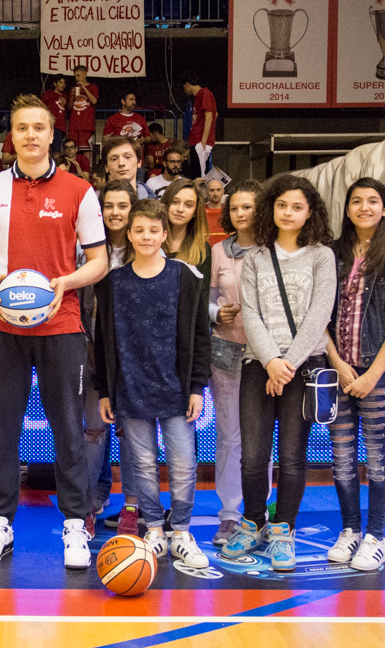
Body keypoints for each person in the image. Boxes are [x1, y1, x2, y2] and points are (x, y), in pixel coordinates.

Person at [0, 95, 107, 569]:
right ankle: (0, 525)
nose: (30, 135)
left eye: (38, 128)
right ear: (11, 135)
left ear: (52, 135)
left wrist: (65, 283)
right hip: (1, 326)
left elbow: (100, 261)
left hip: (62, 324)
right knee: (2, 429)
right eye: (21, 127)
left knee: (69, 428)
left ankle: (73, 526)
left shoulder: (79, 190)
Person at [221, 174, 336, 572]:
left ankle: (283, 528)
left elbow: (321, 313)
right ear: (271, 208)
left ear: (310, 213)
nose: (288, 212)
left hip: (304, 368)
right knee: (252, 457)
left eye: (297, 207)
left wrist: (287, 365)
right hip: (259, 365)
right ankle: (253, 522)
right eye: (282, 205)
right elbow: (249, 312)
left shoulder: (322, 256)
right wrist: (271, 361)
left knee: (291, 456)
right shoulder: (254, 256)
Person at [95, 197, 211, 566]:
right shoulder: (112, 282)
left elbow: (200, 336)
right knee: (143, 464)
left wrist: (197, 387)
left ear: (165, 235)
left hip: (175, 389)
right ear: (128, 235)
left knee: (182, 464)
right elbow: (102, 340)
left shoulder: (186, 278)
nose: (146, 236)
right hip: (130, 388)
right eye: (139, 230)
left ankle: (182, 531)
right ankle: (156, 529)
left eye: (153, 230)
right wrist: (104, 391)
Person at [324, 178, 385, 571]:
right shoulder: (331, 253)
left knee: (377, 455)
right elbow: (318, 315)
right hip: (338, 370)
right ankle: (349, 530)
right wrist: (337, 362)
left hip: (376, 373)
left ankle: (376, 536)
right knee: (342, 455)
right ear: (347, 209)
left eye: (373, 201)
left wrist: (371, 374)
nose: (364, 207)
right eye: (356, 201)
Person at [207, 180, 269, 546]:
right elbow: (207, 302)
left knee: (260, 439)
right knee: (230, 437)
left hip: (267, 356)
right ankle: (230, 515)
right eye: (235, 208)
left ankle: (259, 512)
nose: (241, 214)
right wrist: (218, 313)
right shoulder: (218, 251)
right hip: (226, 352)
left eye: (248, 207)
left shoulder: (276, 251)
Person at [85, 180, 136, 531]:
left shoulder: (146, 249)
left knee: (133, 434)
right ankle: (89, 505)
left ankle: (133, 506)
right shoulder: (87, 251)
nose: (116, 212)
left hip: (134, 358)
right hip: (92, 353)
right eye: (110, 206)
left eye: (123, 205)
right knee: (93, 431)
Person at [161, 179, 211, 293]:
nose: (180, 209)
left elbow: (202, 296)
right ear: (166, 203)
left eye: (188, 205)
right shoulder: (151, 241)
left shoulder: (202, 249)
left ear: (194, 212)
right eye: (175, 202)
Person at [183, 72, 218, 178]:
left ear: (187, 84)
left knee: (199, 177)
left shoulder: (204, 93)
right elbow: (215, 114)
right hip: (196, 140)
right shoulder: (198, 96)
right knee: (195, 174)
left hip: (200, 142)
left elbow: (210, 116)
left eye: (184, 87)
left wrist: (203, 140)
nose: (184, 90)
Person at [102, 136, 153, 200]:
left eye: (127, 157)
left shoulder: (155, 205)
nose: (121, 163)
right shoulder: (94, 205)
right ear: (106, 167)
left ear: (139, 162)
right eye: (114, 159)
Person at [67, 66, 99, 154]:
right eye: (75, 76)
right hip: (73, 125)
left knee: (86, 151)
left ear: (85, 74)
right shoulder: (72, 89)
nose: (76, 78)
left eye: (78, 75)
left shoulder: (93, 87)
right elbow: (69, 108)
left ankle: (86, 168)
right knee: (72, 151)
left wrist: (84, 88)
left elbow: (94, 101)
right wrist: (72, 97)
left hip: (86, 125)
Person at [42, 76, 68, 156]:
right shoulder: (49, 93)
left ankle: (55, 168)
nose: (63, 85)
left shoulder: (65, 96)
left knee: (56, 151)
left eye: (64, 83)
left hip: (59, 127)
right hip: (48, 126)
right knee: (46, 150)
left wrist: (66, 103)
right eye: (60, 82)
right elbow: (40, 105)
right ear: (54, 83)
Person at [205, 177, 228, 244]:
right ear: (206, 193)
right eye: (212, 190)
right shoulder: (200, 212)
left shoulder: (228, 212)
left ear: (223, 192)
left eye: (218, 190)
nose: (215, 194)